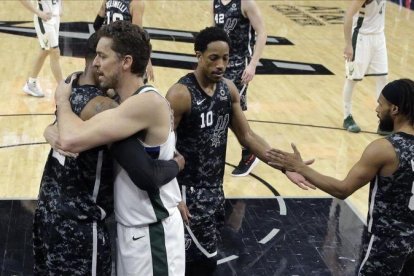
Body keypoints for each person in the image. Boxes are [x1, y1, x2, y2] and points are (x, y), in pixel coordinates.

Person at [165, 26, 313, 276]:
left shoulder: (228, 90)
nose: (221, 65)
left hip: (215, 192)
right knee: (192, 265)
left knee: (206, 261)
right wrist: (171, 196)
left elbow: (247, 136)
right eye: (214, 58)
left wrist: (284, 165)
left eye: (226, 58)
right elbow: (161, 147)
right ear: (198, 55)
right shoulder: (181, 94)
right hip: (186, 194)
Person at [36, 33, 182, 275]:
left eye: (102, 57)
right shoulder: (114, 104)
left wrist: (177, 167)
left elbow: (147, 173)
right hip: (127, 228)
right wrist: (50, 131)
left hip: (151, 231)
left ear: (125, 62)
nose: (96, 63)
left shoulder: (138, 103)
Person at [267, 79, 414, 275]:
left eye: (380, 103)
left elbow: (342, 189)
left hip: (387, 245)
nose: (376, 109)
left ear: (394, 109)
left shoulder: (385, 149)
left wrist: (300, 167)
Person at [213, 0, 267, 176]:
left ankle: (250, 150)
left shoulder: (246, 3)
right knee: (226, 111)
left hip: (240, 66)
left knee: (225, 108)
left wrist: (253, 64)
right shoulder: (215, 2)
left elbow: (262, 32)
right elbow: (215, 33)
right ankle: (251, 149)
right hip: (221, 64)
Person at [342, 0, 388, 134]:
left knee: (383, 78)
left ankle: (384, 120)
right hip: (361, 38)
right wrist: (348, 44)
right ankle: (347, 117)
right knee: (352, 79)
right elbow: (348, 15)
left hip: (379, 37)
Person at [93, 0, 154, 82]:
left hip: (107, 49)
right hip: (123, 52)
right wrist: (147, 60)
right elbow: (138, 36)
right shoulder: (136, 3)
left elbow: (96, 25)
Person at [19, 0, 63, 97]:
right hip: (44, 21)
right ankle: (64, 88)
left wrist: (60, 6)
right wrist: (39, 13)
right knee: (55, 51)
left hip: (55, 19)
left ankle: (31, 83)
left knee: (45, 50)